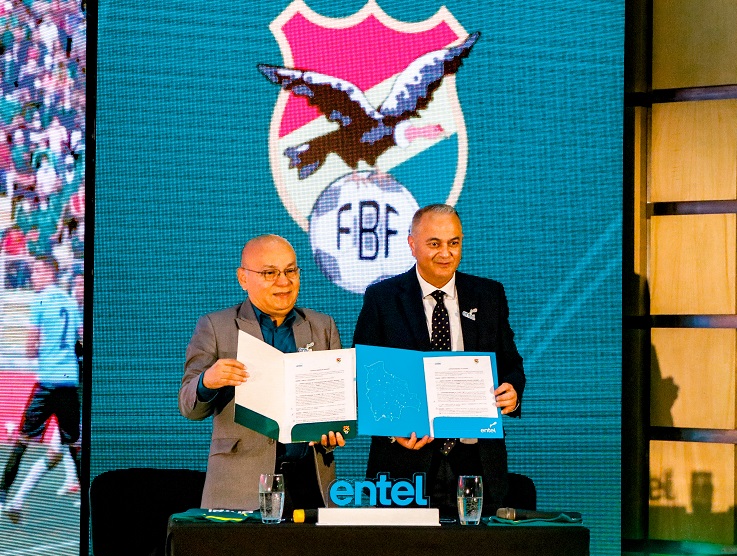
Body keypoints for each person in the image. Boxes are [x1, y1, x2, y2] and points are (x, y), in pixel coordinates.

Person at [352, 204, 525, 516]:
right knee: (405, 549)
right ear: (412, 244)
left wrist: (512, 392)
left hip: (477, 460)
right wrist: (392, 430)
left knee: (480, 547)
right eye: (434, 243)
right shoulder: (382, 298)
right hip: (405, 462)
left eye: (453, 243)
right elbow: (363, 376)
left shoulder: (489, 295)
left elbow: (510, 364)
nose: (446, 253)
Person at [179, 235, 344, 512]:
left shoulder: (322, 326)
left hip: (309, 484)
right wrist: (208, 381)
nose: (284, 281)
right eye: (270, 273)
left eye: (290, 271)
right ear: (243, 278)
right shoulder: (216, 326)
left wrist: (333, 432)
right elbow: (188, 407)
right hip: (239, 486)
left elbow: (337, 409)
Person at [0, 255, 82, 523]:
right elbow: (79, 339)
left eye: (36, 271)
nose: (33, 277)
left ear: (49, 272)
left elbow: (31, 345)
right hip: (69, 383)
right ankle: (89, 499)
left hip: (47, 383)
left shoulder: (40, 301)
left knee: (22, 441)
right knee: (74, 445)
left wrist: (37, 350)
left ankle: (2, 495)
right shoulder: (70, 302)